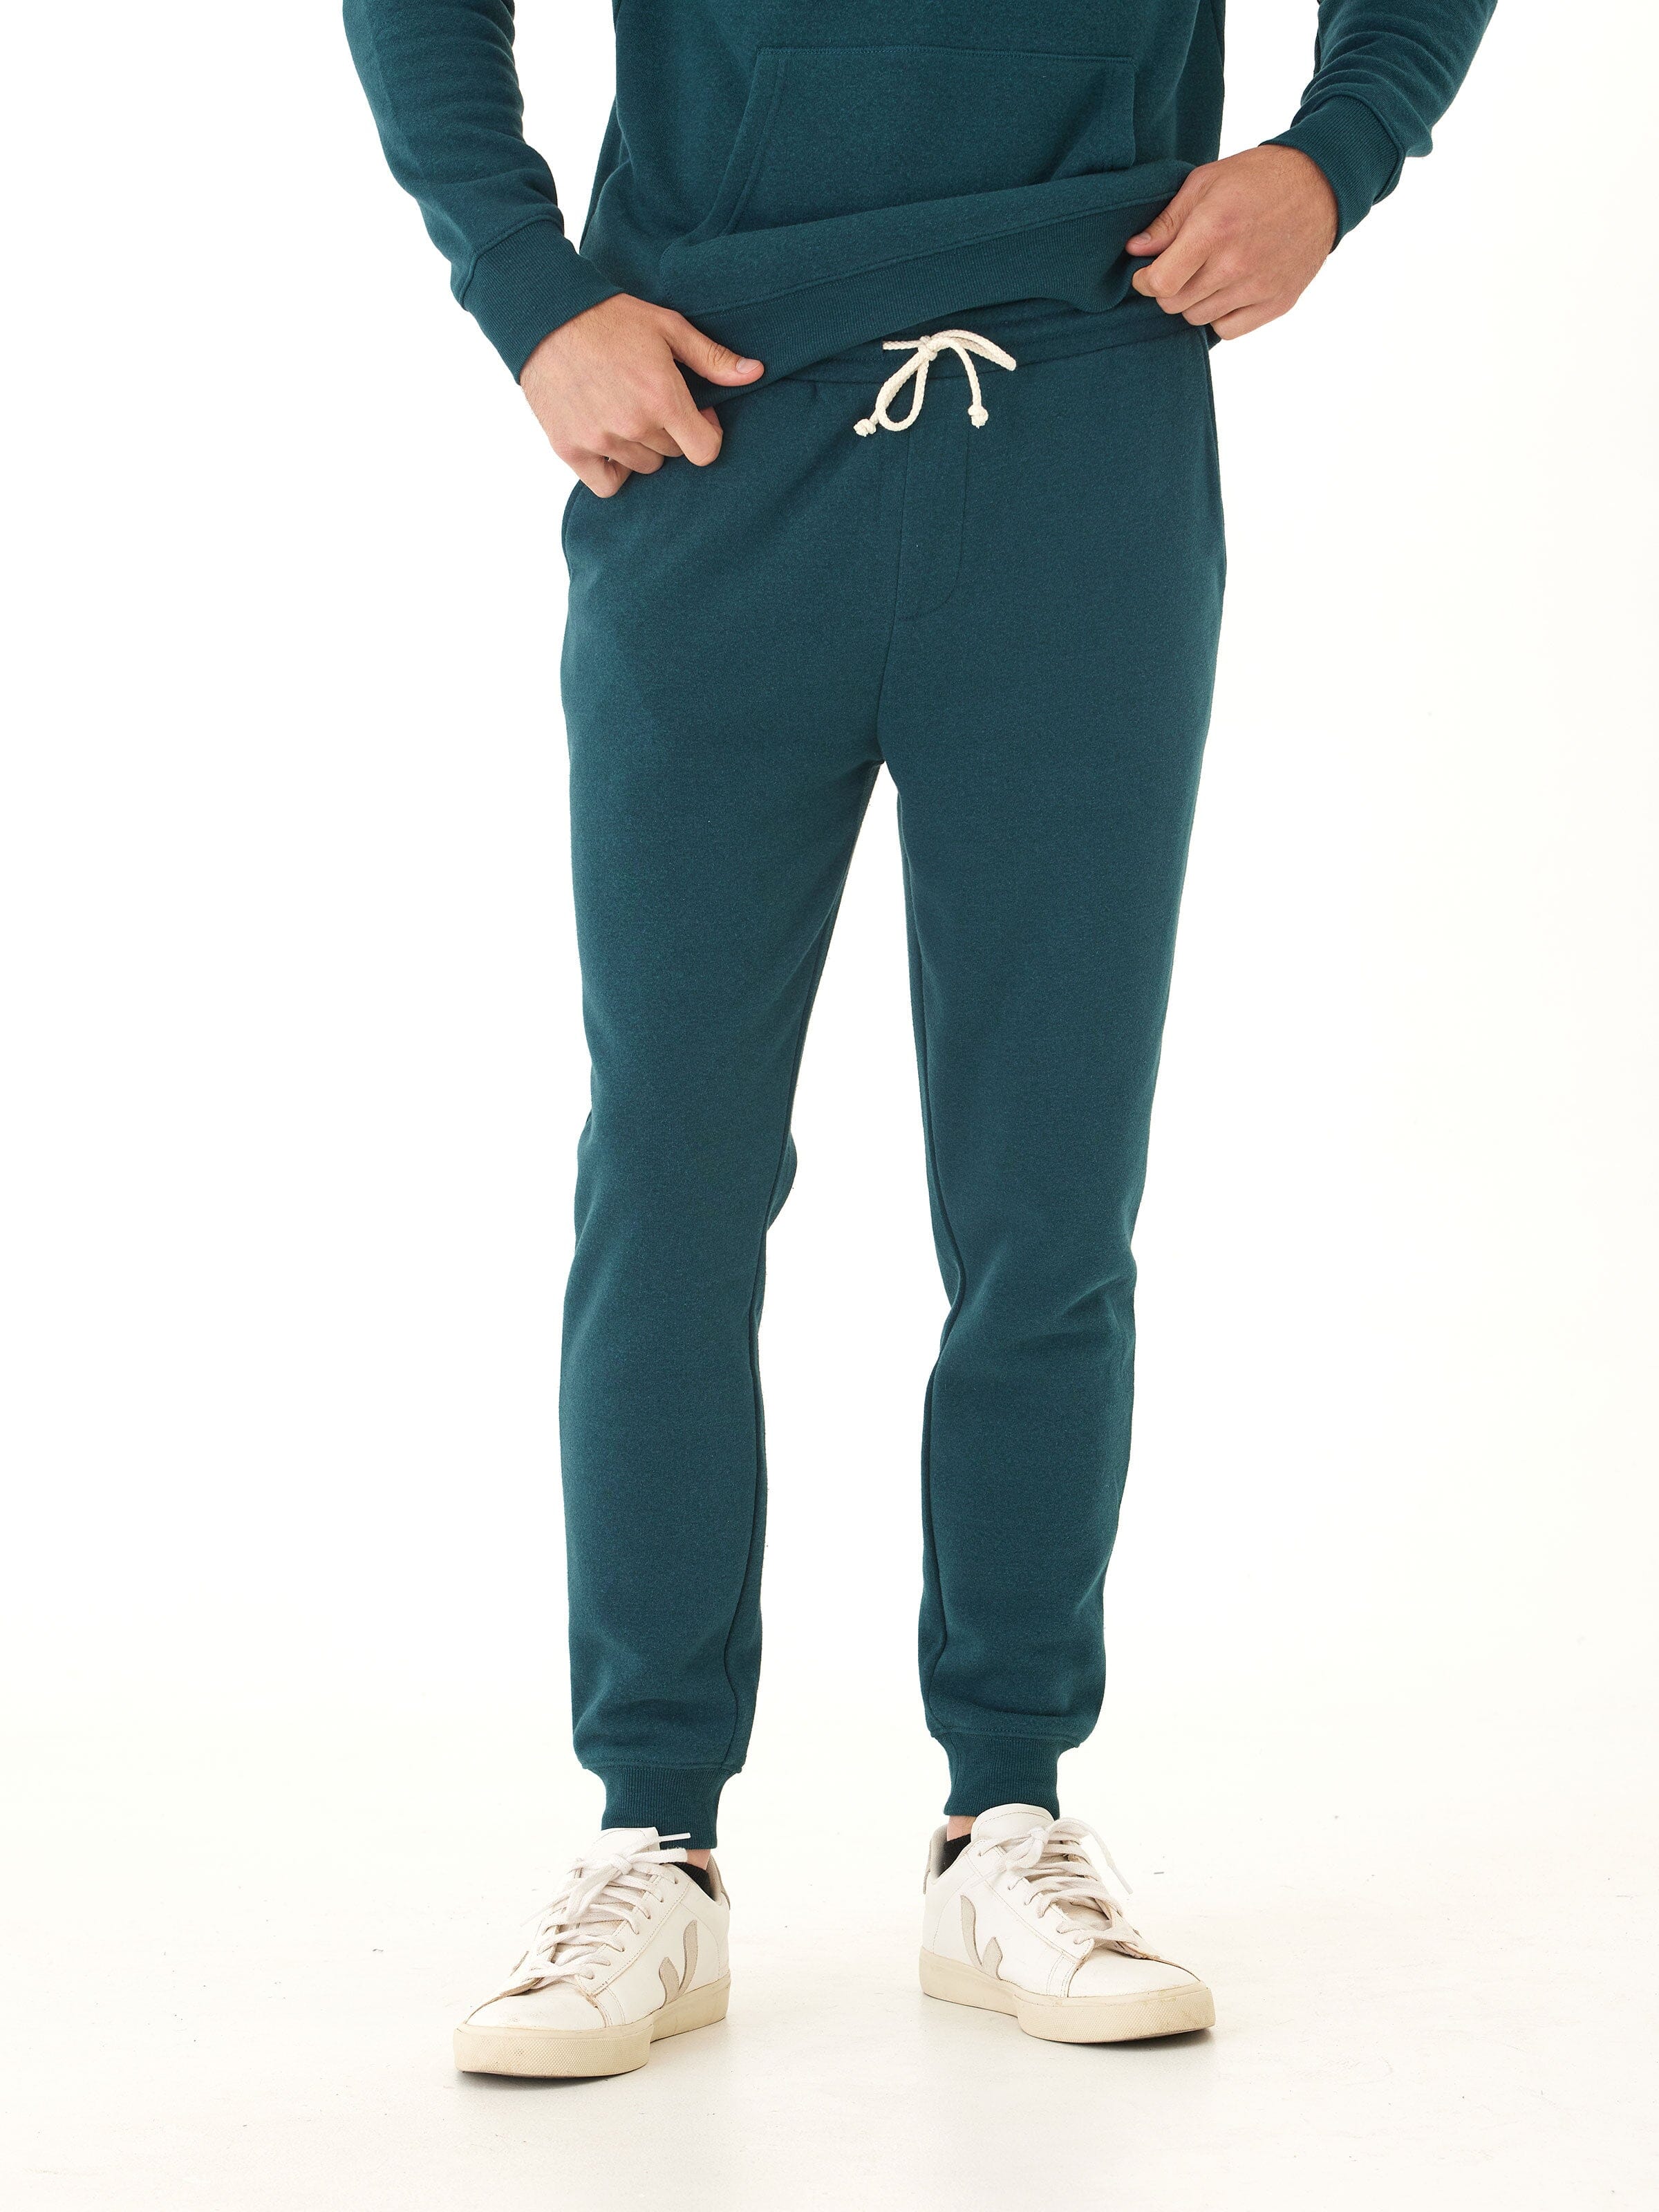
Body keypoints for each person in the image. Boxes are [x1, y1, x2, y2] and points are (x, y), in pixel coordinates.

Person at [344, 0, 1495, 2077]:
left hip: (1079, 437)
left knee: (1050, 1189)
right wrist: (527, 291)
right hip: (716, 431)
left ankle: (1008, 1814)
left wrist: (1339, 153)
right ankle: (653, 1837)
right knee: (673, 1176)